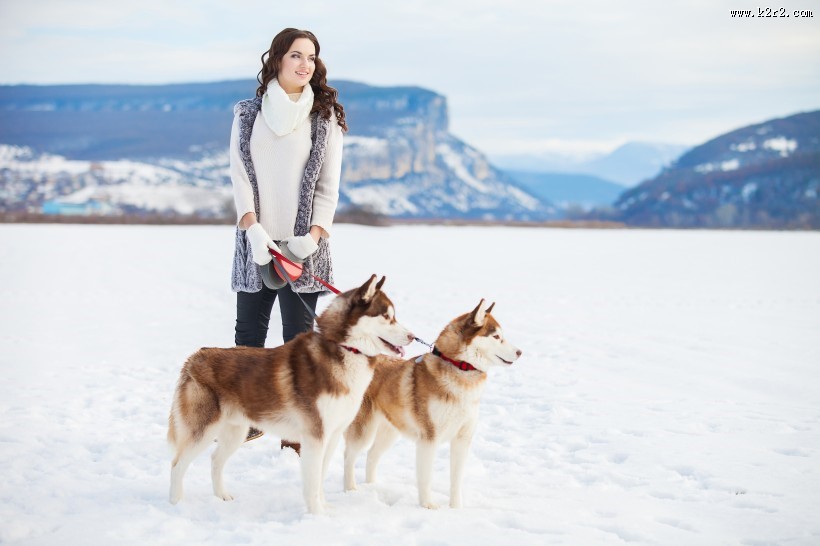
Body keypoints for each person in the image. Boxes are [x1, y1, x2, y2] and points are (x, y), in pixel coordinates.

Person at [229, 28, 347, 451]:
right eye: (296, 55)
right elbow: (240, 175)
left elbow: (328, 186)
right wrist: (252, 229)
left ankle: (297, 431)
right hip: (257, 243)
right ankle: (249, 419)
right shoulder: (247, 113)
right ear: (277, 59)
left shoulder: (324, 116)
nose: (304, 65)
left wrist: (312, 237)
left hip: (304, 248)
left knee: (299, 342)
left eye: (311, 58)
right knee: (248, 339)